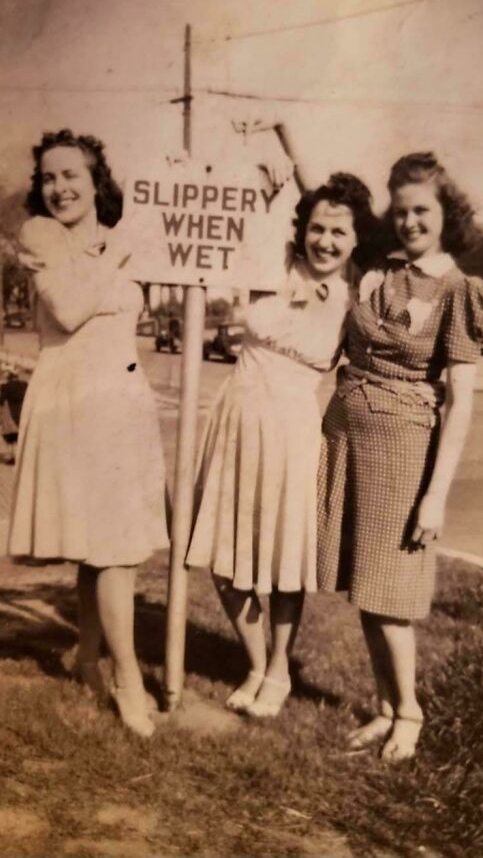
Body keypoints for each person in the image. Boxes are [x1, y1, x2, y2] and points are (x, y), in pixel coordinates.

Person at [317, 152, 483, 762]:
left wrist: (436, 495)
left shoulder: (458, 291)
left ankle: (412, 715)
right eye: (400, 211)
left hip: (402, 452)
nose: (410, 222)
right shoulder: (381, 270)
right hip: (348, 436)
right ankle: (387, 707)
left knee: (391, 594)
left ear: (448, 215)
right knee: (365, 589)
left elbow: (460, 406)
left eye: (422, 210)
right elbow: (326, 203)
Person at [186, 174, 379, 718]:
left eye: (339, 232)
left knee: (281, 562)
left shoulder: (357, 295)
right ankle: (255, 664)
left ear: (356, 238)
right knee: (222, 560)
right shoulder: (272, 264)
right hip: (235, 421)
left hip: (294, 431)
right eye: (317, 228)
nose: (326, 241)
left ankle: (278, 672)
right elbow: (249, 212)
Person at [8, 129, 169, 738]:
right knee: (112, 549)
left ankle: (85, 657)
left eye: (70, 175)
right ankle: (127, 676)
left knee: (104, 542)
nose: (59, 188)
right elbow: (70, 311)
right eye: (49, 177)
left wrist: (123, 252)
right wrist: (121, 256)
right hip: (72, 396)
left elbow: (130, 318)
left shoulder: (118, 240)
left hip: (120, 395)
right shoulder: (40, 235)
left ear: (96, 179)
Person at [0, 364, 28, 464]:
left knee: (11, 437)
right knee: (20, 436)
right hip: (23, 412)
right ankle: (21, 457)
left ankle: (14, 456)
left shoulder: (5, 387)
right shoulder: (24, 384)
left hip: (10, 413)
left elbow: (0, 401)